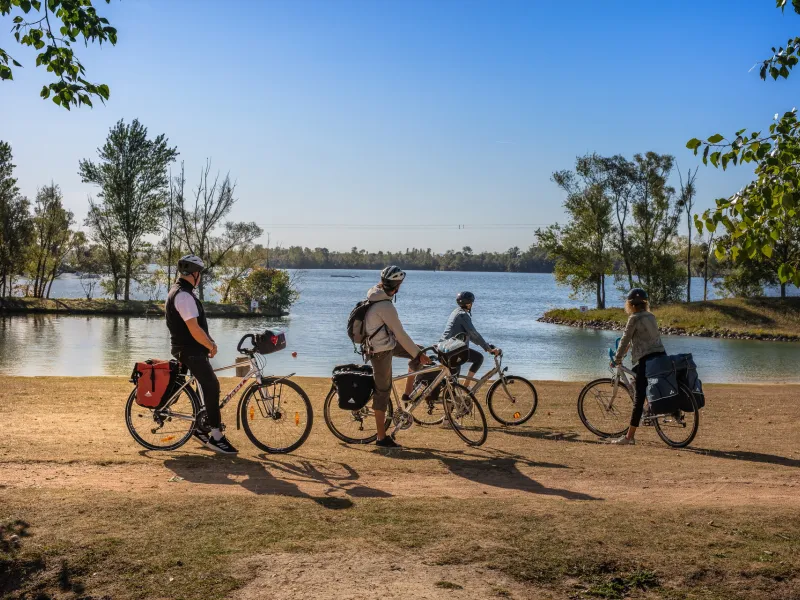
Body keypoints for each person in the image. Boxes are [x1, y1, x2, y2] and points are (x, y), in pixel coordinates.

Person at [166, 254, 238, 454]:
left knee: (200, 389)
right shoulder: (183, 296)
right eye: (200, 274)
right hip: (190, 351)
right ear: (194, 274)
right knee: (211, 385)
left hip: (188, 350)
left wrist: (207, 343)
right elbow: (194, 329)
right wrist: (211, 346)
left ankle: (199, 428)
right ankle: (216, 436)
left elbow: (196, 328)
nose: (201, 277)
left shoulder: (179, 292)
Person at [364, 266, 431, 449]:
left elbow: (398, 336)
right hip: (380, 350)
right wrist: (418, 354)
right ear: (397, 286)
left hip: (387, 344)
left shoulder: (376, 294)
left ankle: (407, 394)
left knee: (420, 351)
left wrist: (418, 353)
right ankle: (381, 437)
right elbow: (400, 334)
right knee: (383, 391)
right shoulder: (385, 306)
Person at [610, 288, 666, 445]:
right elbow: (640, 339)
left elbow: (625, 339)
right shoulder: (651, 316)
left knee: (638, 398)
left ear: (630, 304)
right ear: (645, 303)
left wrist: (617, 358)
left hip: (646, 360)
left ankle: (629, 437)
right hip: (661, 356)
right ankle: (649, 408)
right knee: (636, 377)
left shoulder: (634, 318)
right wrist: (626, 351)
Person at [441, 291, 501, 382]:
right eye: (472, 303)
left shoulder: (455, 312)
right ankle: (466, 387)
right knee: (478, 359)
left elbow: (471, 336)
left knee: (453, 380)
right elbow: (474, 334)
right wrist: (487, 348)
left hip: (446, 347)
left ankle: (465, 388)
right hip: (452, 350)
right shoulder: (463, 315)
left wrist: (487, 345)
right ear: (469, 304)